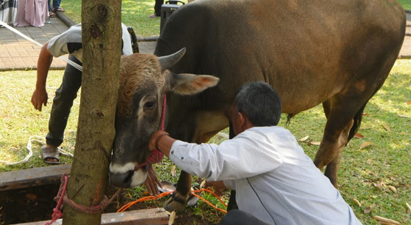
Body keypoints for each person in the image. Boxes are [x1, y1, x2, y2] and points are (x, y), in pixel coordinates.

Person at [148, 81, 362, 225]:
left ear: (239, 118)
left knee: (235, 221)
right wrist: (225, 183)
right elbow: (260, 172)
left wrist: (159, 139)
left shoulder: (259, 142)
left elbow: (208, 161)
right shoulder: (282, 141)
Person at [31, 23, 134, 164]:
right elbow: (46, 50)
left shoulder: (123, 54)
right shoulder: (73, 38)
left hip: (113, 66)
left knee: (115, 104)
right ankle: (52, 142)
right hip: (81, 57)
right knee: (65, 94)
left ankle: (115, 148)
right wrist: (40, 88)